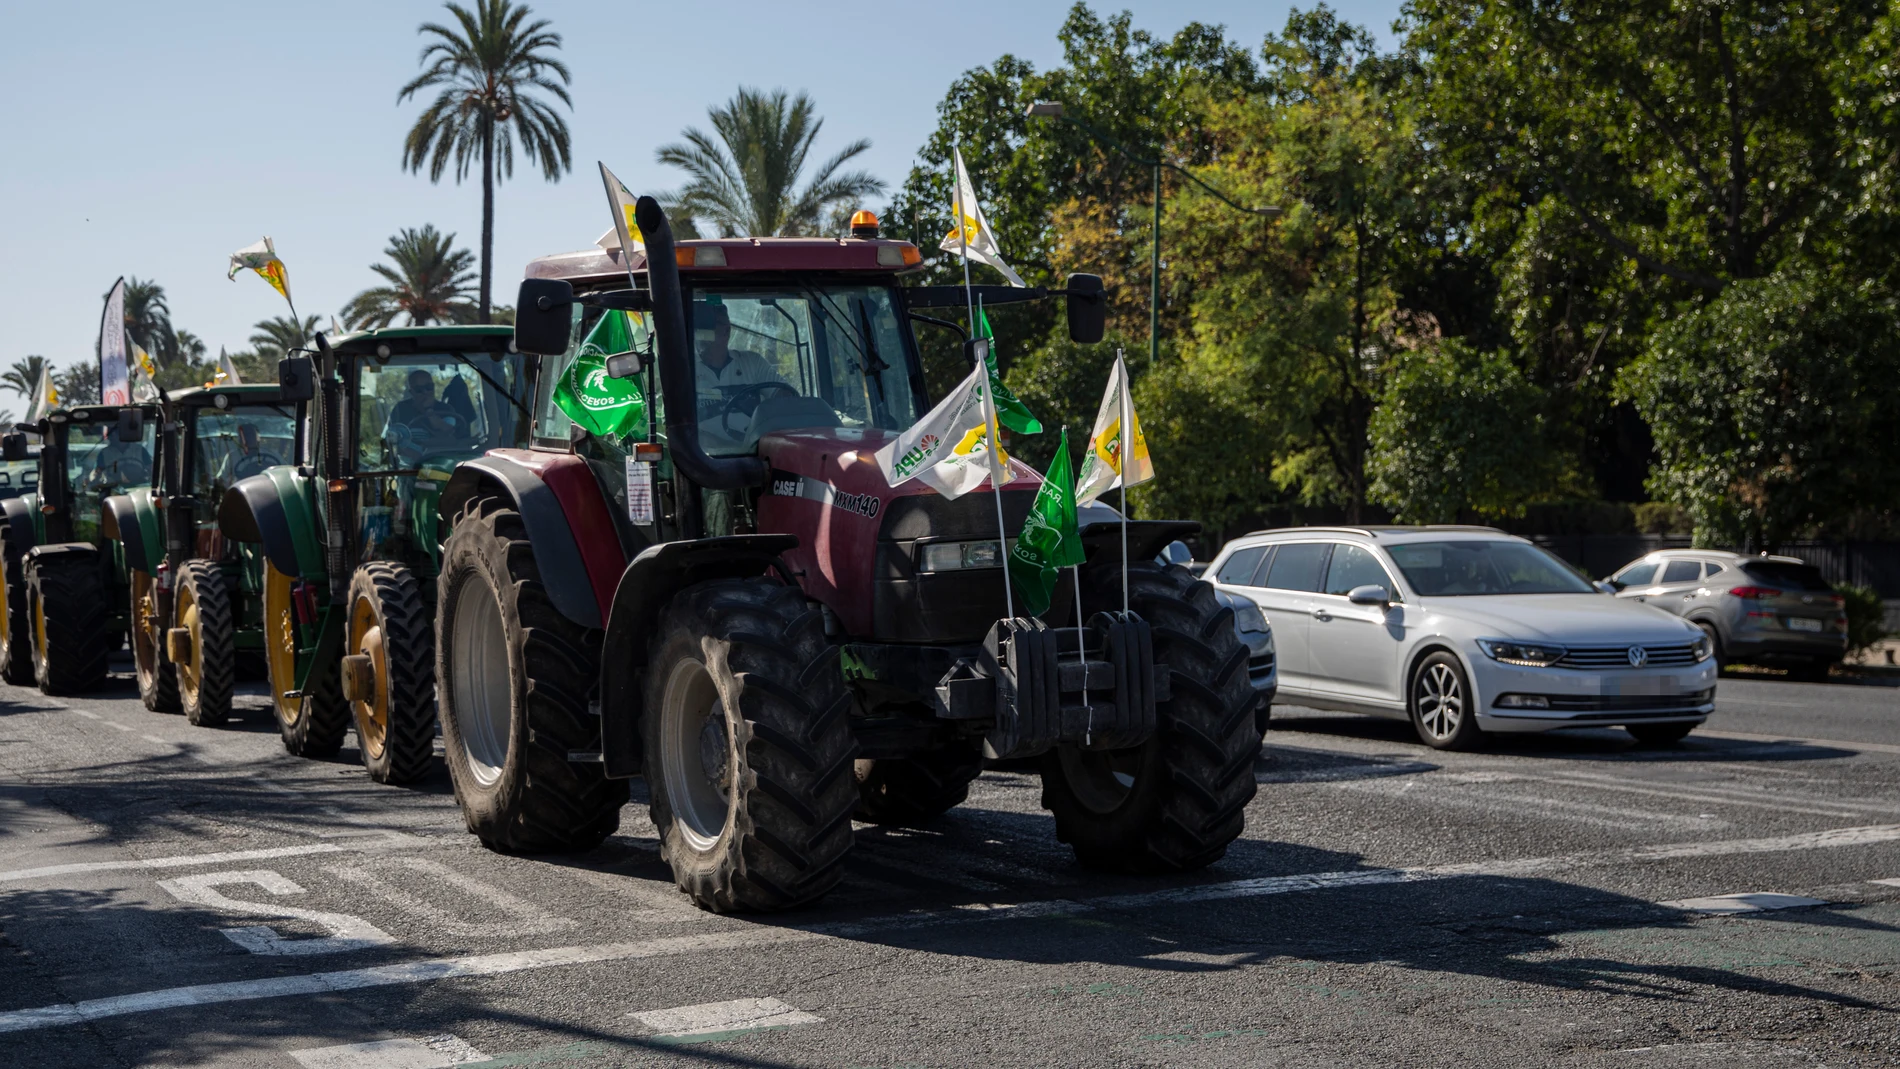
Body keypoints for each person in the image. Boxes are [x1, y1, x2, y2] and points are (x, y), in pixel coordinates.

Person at [693, 301, 780, 403]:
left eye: (708, 326)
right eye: (697, 327)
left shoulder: (752, 363)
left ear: (726, 331)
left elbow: (785, 397)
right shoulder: (686, 369)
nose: (701, 332)